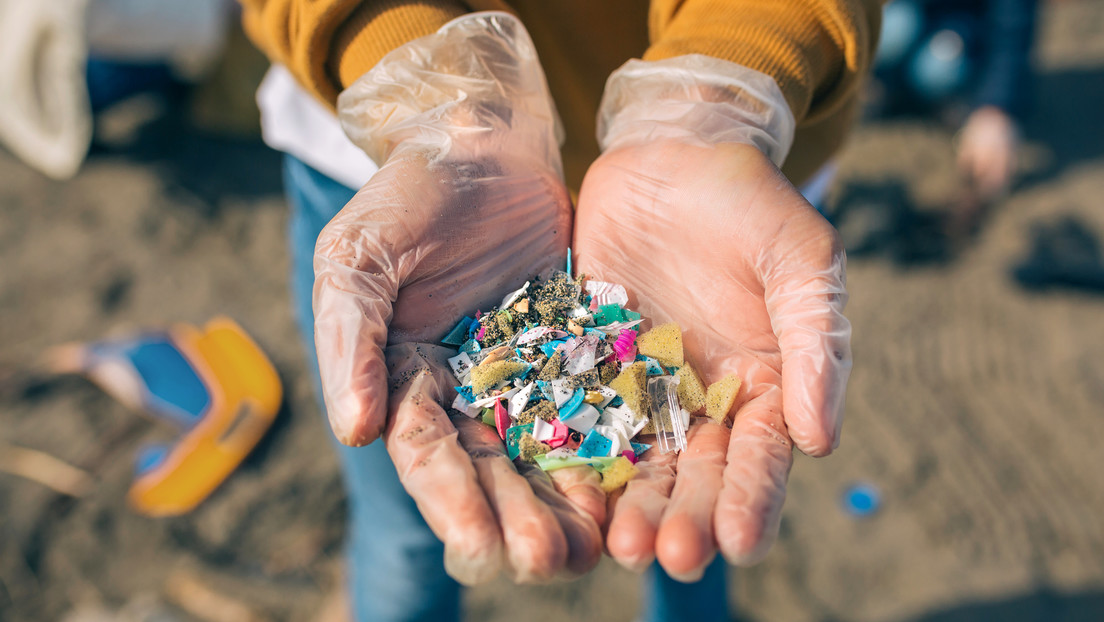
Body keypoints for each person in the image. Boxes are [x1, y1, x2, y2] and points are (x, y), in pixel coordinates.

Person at [240, 2, 874, 620]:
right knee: (404, 529)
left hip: (728, 191)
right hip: (399, 166)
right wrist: (432, 103)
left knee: (693, 521)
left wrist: (716, 105)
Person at [871, 0, 1039, 202]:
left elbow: (1012, 25)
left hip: (959, 32)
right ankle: (880, 85)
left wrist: (996, 108)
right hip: (907, 16)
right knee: (894, 27)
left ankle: (931, 99)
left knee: (938, 67)